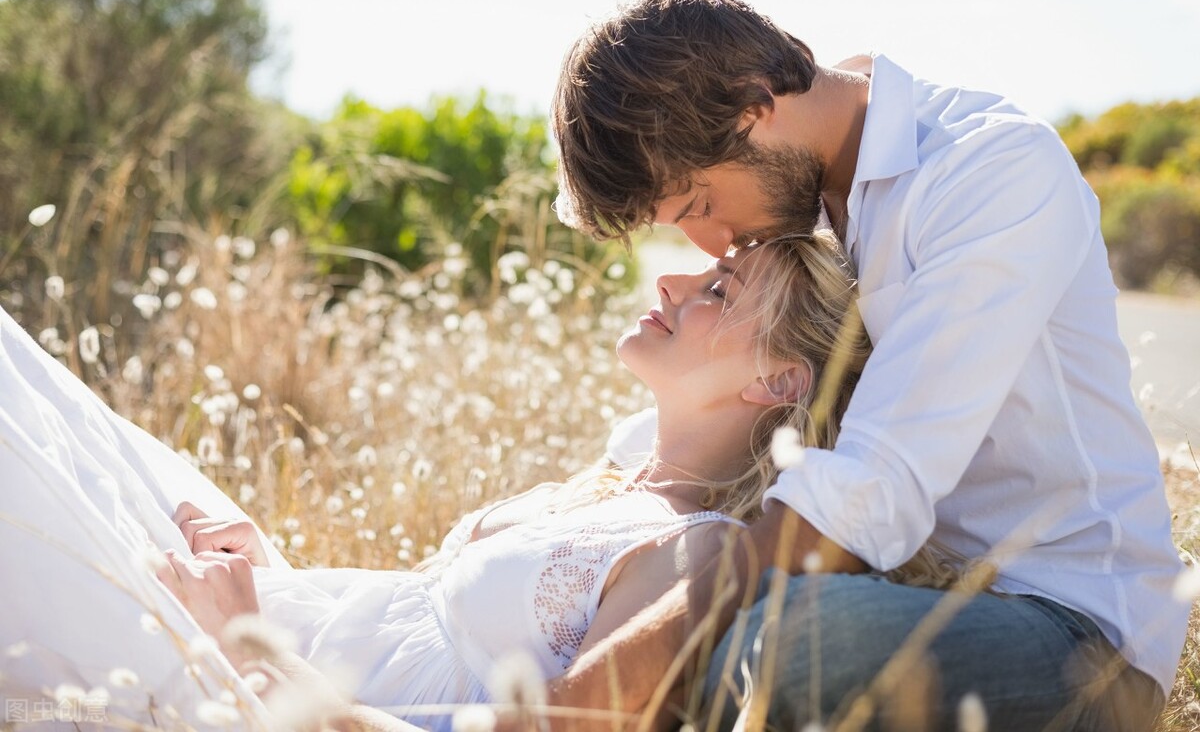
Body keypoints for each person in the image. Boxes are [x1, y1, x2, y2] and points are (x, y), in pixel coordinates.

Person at [550, 0, 1187, 730]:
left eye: (698, 205)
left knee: (788, 647)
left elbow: (873, 489)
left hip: (1071, 625)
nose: (715, 244)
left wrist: (606, 681)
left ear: (755, 102)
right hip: (906, 590)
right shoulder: (807, 186)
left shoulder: (988, 168)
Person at [0, 232, 892, 731]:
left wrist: (247, 656)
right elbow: (419, 627)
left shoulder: (699, 557)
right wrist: (278, 576)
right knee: (34, 392)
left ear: (778, 383)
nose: (673, 278)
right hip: (269, 632)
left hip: (254, 695)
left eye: (722, 291)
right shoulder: (618, 482)